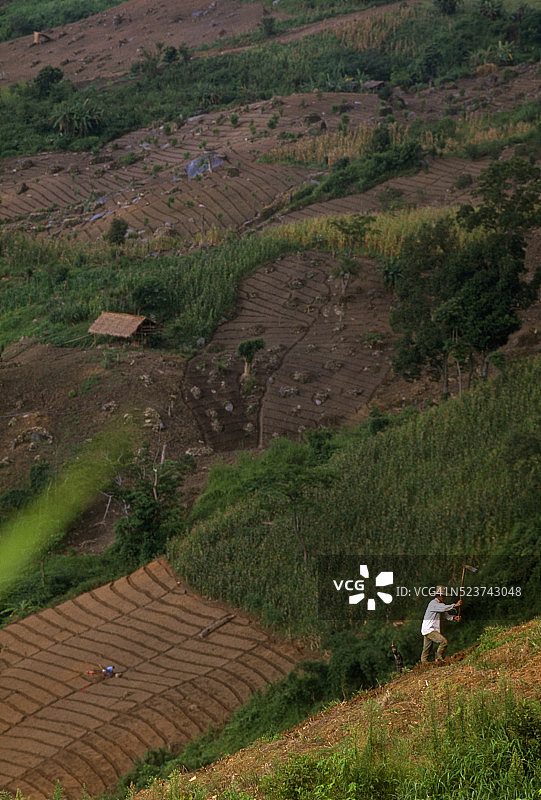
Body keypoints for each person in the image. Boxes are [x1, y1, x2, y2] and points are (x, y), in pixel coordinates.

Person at [420, 585, 462, 663]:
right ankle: (438, 660)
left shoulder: (438, 604)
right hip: (429, 629)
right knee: (444, 642)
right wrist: (455, 605)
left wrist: (453, 617)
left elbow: (445, 615)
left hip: (428, 629)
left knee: (426, 649)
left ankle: (424, 665)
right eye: (443, 596)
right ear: (439, 596)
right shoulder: (434, 603)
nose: (444, 597)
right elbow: (444, 608)